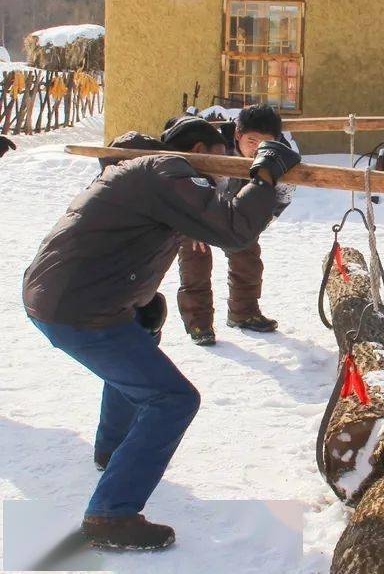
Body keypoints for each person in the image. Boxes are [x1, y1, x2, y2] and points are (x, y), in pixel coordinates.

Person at [22, 116, 300, 550]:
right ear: (202, 152)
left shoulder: (154, 175)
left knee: (143, 329)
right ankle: (110, 515)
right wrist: (264, 174)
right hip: (78, 308)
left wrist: (270, 189)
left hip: (71, 298)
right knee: (173, 399)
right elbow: (233, 227)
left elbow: (233, 221)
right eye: (224, 155)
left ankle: (113, 450)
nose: (228, 164)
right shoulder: (165, 170)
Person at [176, 105, 293, 345]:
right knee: (194, 261)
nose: (257, 148)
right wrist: (193, 223)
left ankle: (244, 313)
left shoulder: (280, 158)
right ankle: (199, 323)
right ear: (238, 134)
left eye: (265, 142)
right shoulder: (212, 146)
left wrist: (258, 224)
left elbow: (282, 197)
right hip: (200, 208)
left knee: (248, 260)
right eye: (251, 140)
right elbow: (190, 184)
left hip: (240, 212)